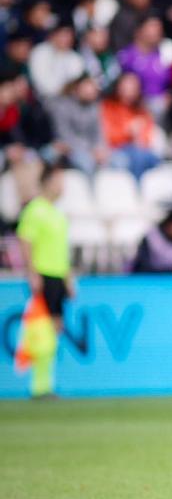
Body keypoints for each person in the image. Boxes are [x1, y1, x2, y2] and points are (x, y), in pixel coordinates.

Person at [15, 163, 73, 399]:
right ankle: (40, 387)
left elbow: (62, 249)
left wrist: (68, 276)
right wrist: (32, 273)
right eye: (59, 181)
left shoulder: (57, 213)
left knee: (55, 328)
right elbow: (25, 241)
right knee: (42, 333)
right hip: (43, 274)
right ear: (47, 182)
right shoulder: (35, 210)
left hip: (58, 274)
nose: (62, 187)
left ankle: (47, 384)